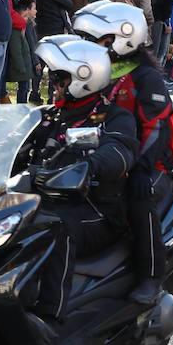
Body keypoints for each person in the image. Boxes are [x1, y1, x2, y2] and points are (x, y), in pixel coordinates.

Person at [72, 1, 173, 305]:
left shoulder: (144, 76)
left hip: (151, 162)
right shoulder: (97, 72)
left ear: (122, 39)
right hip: (108, 155)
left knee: (138, 197)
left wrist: (140, 170)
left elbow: (156, 128)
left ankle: (150, 277)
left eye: (97, 40)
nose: (89, 47)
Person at [28, 38, 138, 329]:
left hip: (97, 208)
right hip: (48, 197)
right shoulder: (52, 116)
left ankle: (50, 316)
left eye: (59, 78)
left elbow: (119, 153)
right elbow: (10, 142)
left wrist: (89, 165)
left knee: (54, 226)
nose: (53, 83)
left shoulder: (112, 117)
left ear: (82, 77)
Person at [6, 0, 38, 104]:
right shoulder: (22, 25)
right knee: (24, 88)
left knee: (25, 87)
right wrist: (35, 61)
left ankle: (22, 105)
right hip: (24, 62)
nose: (36, 11)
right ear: (27, 10)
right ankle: (22, 107)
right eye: (34, 8)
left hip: (26, 61)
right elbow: (26, 45)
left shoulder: (26, 23)